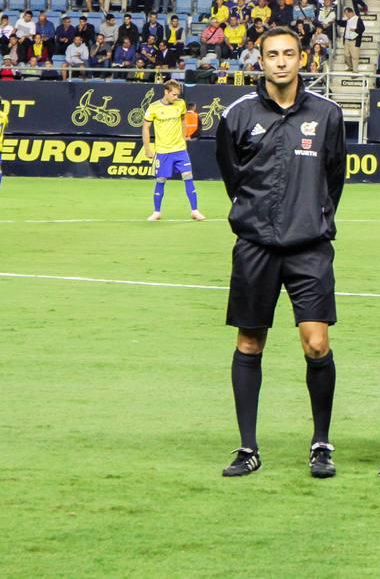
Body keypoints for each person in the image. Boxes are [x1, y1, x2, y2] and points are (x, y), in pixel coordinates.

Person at [214, 27, 348, 479]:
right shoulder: (238, 115)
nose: (281, 62)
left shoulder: (327, 114)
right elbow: (233, 178)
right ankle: (247, 447)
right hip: (254, 246)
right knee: (250, 341)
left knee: (316, 343)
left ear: (301, 58)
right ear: (261, 60)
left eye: (289, 53)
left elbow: (334, 178)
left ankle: (321, 442)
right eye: (272, 54)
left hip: (309, 248)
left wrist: (313, 217)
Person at [142, 79, 205, 222]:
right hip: (163, 151)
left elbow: (183, 121)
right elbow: (145, 128)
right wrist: (147, 148)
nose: (176, 97)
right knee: (161, 180)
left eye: (178, 95)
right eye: (174, 95)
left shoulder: (181, 104)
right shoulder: (153, 107)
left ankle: (195, 211)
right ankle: (156, 212)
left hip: (180, 150)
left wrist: (184, 138)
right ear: (166, 92)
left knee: (188, 178)